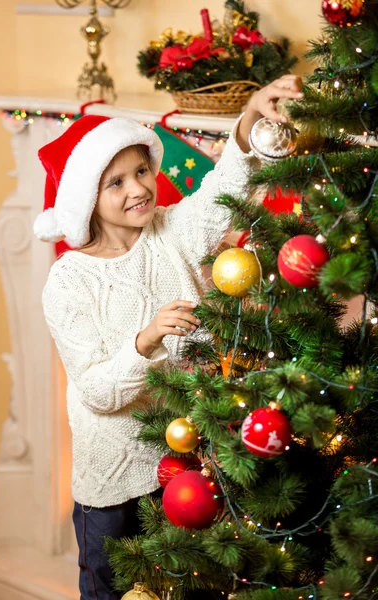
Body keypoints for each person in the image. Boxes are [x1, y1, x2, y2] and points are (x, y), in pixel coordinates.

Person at [34, 74, 303, 600]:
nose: (137, 188)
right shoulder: (68, 280)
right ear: (86, 195)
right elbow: (96, 392)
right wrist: (147, 339)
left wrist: (250, 116)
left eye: (141, 171)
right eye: (116, 182)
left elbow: (225, 187)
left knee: (199, 585)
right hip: (114, 488)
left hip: (192, 461)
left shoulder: (174, 229)